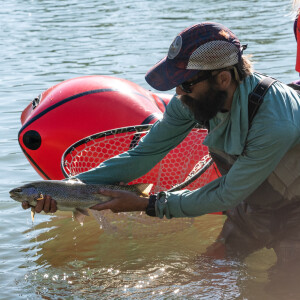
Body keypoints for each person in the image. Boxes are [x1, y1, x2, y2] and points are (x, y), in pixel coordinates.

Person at [22, 22, 300, 269]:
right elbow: (143, 154)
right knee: (204, 272)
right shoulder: (192, 101)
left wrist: (147, 204)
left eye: (185, 84)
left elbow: (225, 195)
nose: (178, 93)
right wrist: (64, 190)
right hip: (253, 204)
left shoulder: (274, 122)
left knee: (283, 287)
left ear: (223, 79)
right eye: (176, 84)